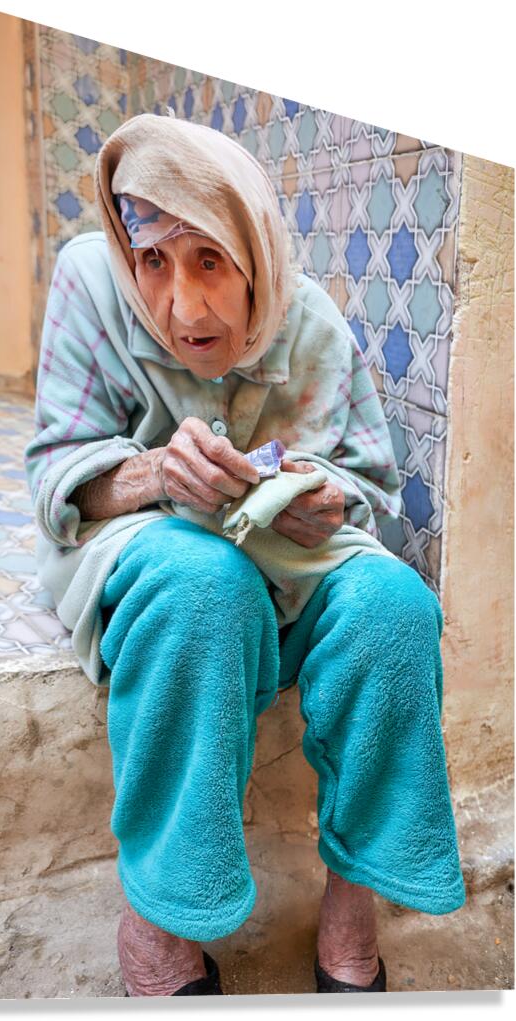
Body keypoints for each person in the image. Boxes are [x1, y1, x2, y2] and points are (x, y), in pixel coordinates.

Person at [24, 111, 466, 997]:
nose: (183, 306)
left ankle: (353, 897)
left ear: (256, 253)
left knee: (395, 608)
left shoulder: (309, 324)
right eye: (155, 261)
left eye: (211, 262)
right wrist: (150, 473)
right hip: (150, 552)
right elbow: (57, 478)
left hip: (292, 565)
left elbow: (370, 489)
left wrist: (329, 497)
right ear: (126, 248)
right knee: (205, 583)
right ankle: (159, 913)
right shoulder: (87, 282)